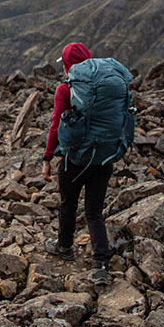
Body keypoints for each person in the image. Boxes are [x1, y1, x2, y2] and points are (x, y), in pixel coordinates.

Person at [41, 42, 114, 285]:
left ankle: (65, 247)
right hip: (103, 157)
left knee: (68, 204)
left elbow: (55, 125)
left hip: (74, 159)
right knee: (94, 212)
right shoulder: (106, 87)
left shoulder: (66, 89)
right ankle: (101, 265)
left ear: (68, 65)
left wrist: (47, 158)